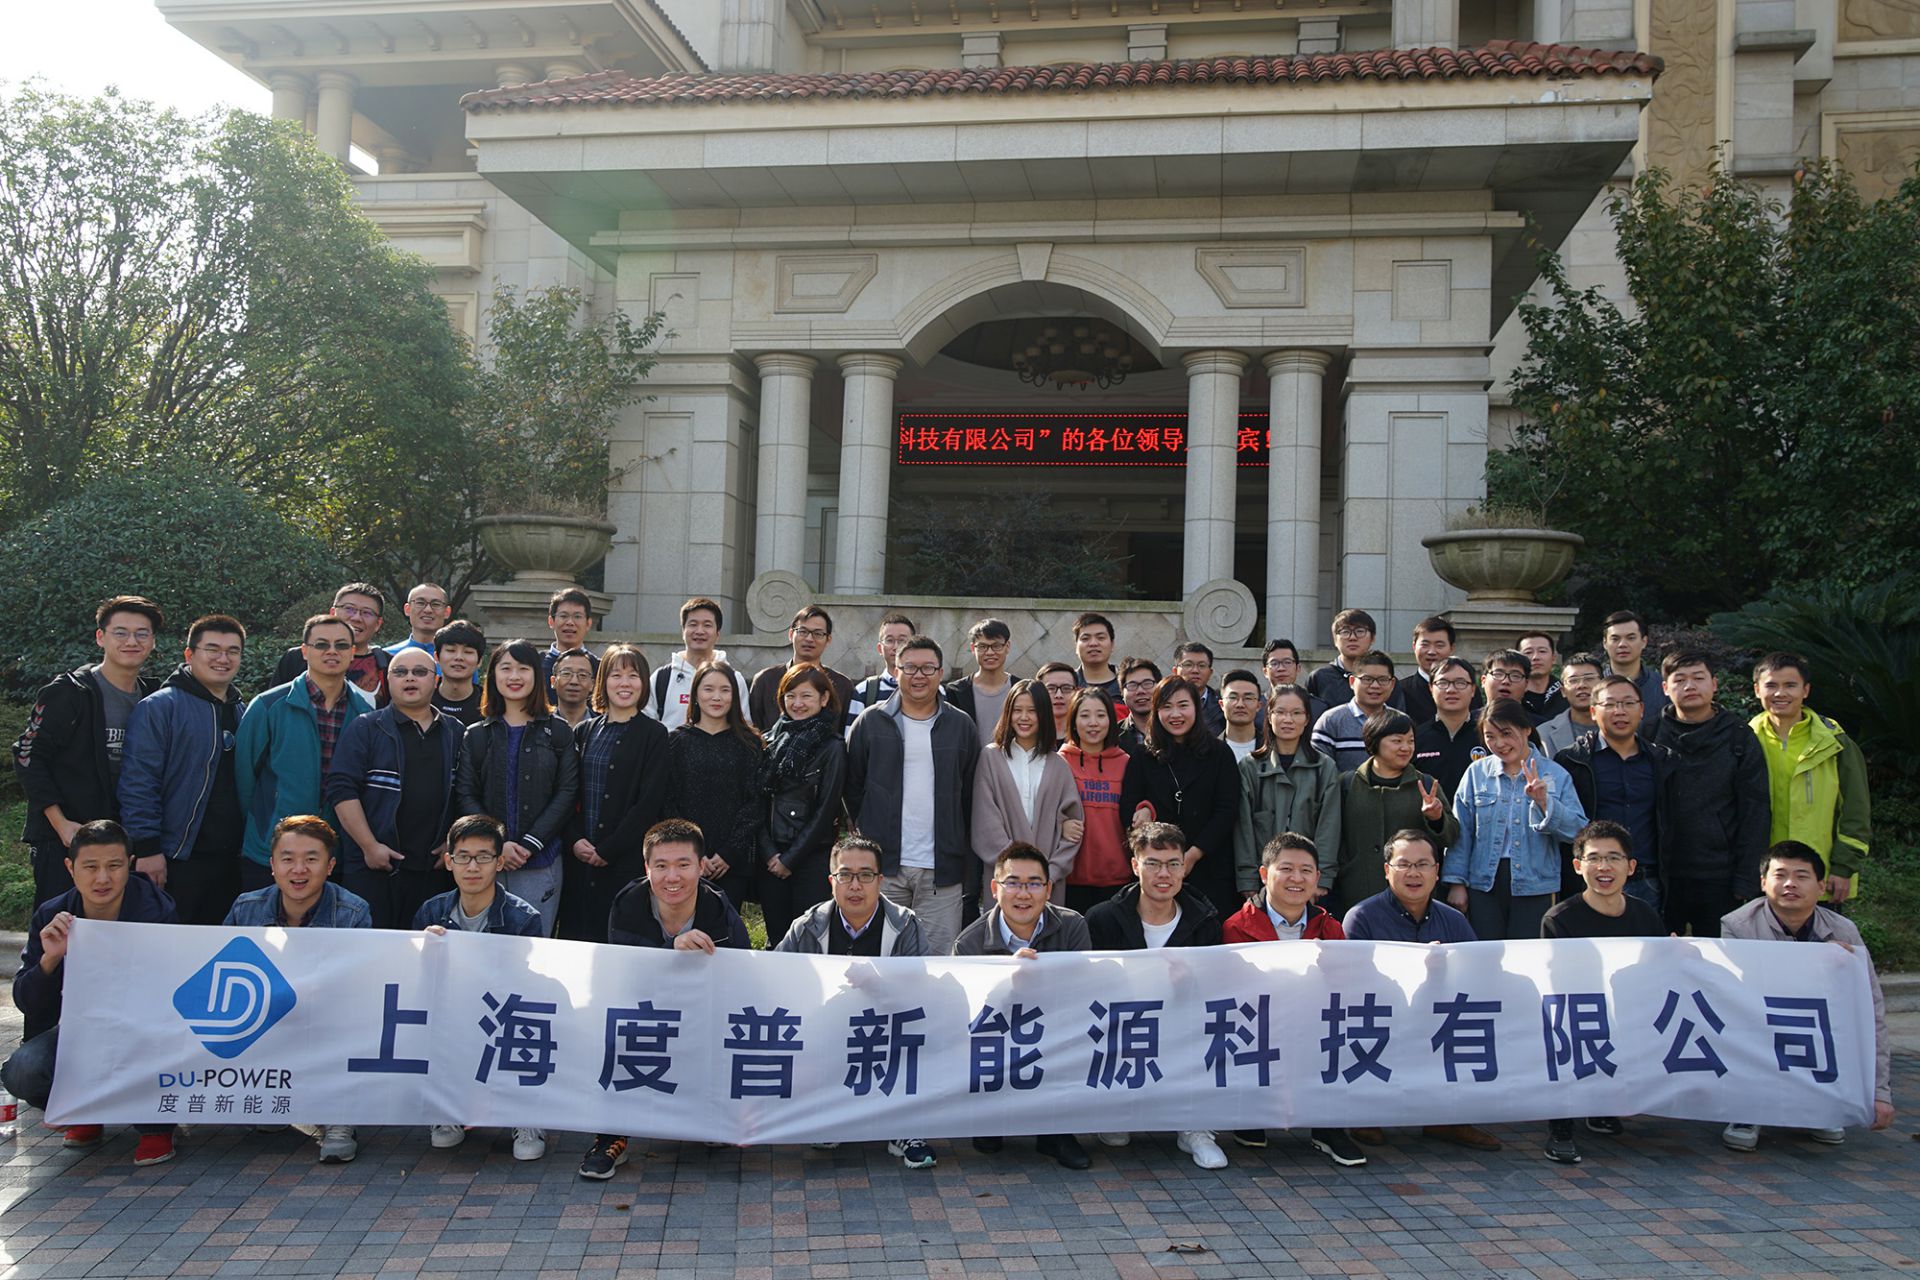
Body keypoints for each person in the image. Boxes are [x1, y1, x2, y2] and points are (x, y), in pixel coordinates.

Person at [3, 820, 179, 1166]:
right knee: (22, 1070)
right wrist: (51, 959)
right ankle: (84, 1110)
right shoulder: (52, 915)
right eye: (90, 867)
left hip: (144, 1031)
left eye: (114, 866)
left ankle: (156, 1127)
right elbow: (26, 1001)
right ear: (70, 868)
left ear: (130, 865)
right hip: (77, 1030)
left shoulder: (158, 911)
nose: (102, 878)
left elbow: (171, 991)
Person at [582, 819, 748, 1180]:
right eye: (661, 866)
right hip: (644, 1011)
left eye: (683, 865)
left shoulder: (720, 910)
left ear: (701, 867)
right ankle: (610, 1136)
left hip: (701, 1012)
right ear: (647, 868)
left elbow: (742, 980)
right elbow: (623, 974)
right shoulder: (628, 903)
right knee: (612, 1033)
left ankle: (712, 1116)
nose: (672, 877)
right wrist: (670, 950)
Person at [773, 835, 935, 1170]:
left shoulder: (905, 925)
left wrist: (880, 986)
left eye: (865, 875)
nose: (855, 885)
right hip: (827, 1032)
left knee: (920, 1036)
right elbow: (775, 982)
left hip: (887, 1031)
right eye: (845, 875)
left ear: (880, 880)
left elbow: (922, 995)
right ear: (831, 881)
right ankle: (829, 1114)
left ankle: (905, 1127)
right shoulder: (807, 927)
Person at [1720, 841, 1894, 1152]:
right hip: (1760, 1018)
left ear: (1821, 886)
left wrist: (1880, 1092)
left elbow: (1871, 1008)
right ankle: (1747, 1110)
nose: (1790, 884)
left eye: (1801, 876)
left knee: (1841, 1023)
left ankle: (1821, 1106)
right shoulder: (1737, 925)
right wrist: (1815, 960)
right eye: (1780, 875)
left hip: (1815, 1023)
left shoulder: (1844, 931)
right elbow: (1735, 993)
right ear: (1763, 883)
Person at [223, 816, 372, 1164]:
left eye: (311, 859)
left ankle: (338, 1117)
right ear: (272, 864)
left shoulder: (353, 912)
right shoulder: (245, 908)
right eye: (288, 859)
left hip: (327, 1017)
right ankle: (272, 1098)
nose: (299, 869)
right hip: (267, 1015)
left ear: (330, 866)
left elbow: (359, 986)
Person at [1084, 822, 1228, 1171]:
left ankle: (1194, 1127)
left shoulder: (1205, 920)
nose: (1164, 874)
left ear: (1184, 867)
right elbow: (1084, 990)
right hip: (1125, 1025)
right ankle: (1117, 1110)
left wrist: (1189, 985)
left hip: (1184, 1024)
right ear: (1135, 866)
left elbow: (1219, 990)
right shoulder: (1102, 919)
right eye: (1153, 864)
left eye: (1173, 864)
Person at [1343, 829, 1497, 1152]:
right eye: (1404, 864)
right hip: (1383, 1013)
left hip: (1437, 1016)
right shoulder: (1361, 918)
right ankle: (1366, 1113)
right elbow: (1350, 983)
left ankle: (1449, 1118)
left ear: (1436, 872)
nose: (1413, 873)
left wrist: (1444, 972)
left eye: (1423, 864)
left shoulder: (1454, 920)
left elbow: (1478, 976)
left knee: (1472, 1021)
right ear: (1387, 871)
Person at [12, 594, 163, 912]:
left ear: (152, 641)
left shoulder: (155, 698)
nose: (131, 641)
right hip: (67, 842)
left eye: (141, 633)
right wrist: (61, 824)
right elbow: (27, 755)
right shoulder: (69, 692)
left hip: (124, 845)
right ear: (100, 637)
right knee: (60, 931)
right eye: (120, 632)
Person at [1221, 833, 1364, 1167]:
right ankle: (1251, 1113)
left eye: (1306, 871)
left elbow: (1346, 984)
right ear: (1264, 874)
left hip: (1314, 1023)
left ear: (1317, 877)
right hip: (1261, 1024)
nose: (1296, 879)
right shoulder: (1236, 927)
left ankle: (1327, 1126)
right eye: (1286, 869)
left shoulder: (1330, 928)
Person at [953, 842, 1094, 1171]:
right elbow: (964, 1016)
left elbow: (1082, 994)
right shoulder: (969, 942)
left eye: (1034, 884)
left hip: (1056, 1032)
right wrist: (1006, 981)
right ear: (994, 888)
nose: (1023, 894)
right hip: (999, 1040)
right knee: (987, 1143)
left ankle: (1057, 1131)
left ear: (1049, 889)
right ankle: (993, 1115)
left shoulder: (1073, 926)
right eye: (1013, 883)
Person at [414, 814, 546, 1160]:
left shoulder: (523, 918)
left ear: (499, 862)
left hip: (501, 1013)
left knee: (525, 1024)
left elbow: (528, 988)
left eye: (483, 857)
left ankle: (525, 1116)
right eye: (463, 857)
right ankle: (448, 1110)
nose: (472, 867)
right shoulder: (431, 912)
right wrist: (423, 950)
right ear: (449, 861)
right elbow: (416, 981)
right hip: (452, 1012)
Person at [1538, 820, 1667, 1165]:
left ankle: (1603, 1105)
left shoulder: (1645, 914)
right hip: (1579, 1010)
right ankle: (1561, 1127)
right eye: (1594, 858)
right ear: (1577, 866)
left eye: (1613, 858)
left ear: (1631, 867)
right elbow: (1558, 984)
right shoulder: (1559, 918)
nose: (1604, 867)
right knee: (1565, 1029)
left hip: (1630, 1007)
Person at [844, 635, 979, 957]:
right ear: (896, 670)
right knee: (878, 956)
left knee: (937, 960)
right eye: (910, 668)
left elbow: (970, 792)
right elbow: (852, 786)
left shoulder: (960, 725)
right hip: (883, 866)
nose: (919, 675)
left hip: (941, 869)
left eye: (928, 668)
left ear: (940, 673)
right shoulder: (871, 721)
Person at [118, 614, 247, 926]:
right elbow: (138, 781)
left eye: (232, 651)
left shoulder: (242, 711)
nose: (223, 659)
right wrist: (147, 848)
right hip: (176, 857)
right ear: (189, 654)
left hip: (230, 860)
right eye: (212, 649)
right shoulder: (160, 707)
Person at [235, 614, 376, 892]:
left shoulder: (365, 713)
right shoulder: (269, 706)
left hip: (336, 852)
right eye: (321, 644)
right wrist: (262, 825)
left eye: (341, 645)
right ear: (304, 651)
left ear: (352, 653)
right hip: (272, 849)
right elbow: (243, 778)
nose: (332, 651)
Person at [328, 648, 462, 930]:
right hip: (373, 866)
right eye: (400, 672)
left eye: (420, 672)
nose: (409, 678)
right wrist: (369, 846)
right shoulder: (366, 727)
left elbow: (467, 793)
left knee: (429, 948)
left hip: (434, 870)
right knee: (372, 950)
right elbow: (342, 790)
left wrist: (454, 841)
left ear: (436, 680)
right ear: (388, 681)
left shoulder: (455, 732)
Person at [454, 641, 579, 933]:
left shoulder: (558, 731)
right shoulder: (476, 734)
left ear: (536, 675)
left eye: (523, 669)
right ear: (493, 676)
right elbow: (466, 793)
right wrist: (498, 843)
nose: (514, 676)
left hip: (540, 861)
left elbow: (567, 792)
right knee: (484, 944)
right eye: (506, 668)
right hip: (486, 861)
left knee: (535, 944)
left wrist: (529, 843)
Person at [1441, 700, 1587, 941]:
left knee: (1529, 954)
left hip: (1536, 883)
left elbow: (1579, 831)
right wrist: (1456, 882)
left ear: (1526, 729)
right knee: (1486, 953)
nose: (1499, 743)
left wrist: (1545, 803)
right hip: (1484, 882)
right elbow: (1462, 829)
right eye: (1490, 736)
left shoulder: (1555, 773)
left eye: (1506, 733)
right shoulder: (1477, 773)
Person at [1649, 648, 1770, 937]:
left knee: (1722, 957)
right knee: (1660, 958)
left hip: (1720, 875)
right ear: (1665, 688)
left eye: (1698, 678)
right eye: (1680, 680)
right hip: (1661, 874)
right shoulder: (1649, 733)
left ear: (1714, 684)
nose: (1689, 686)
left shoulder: (1739, 736)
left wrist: (1747, 877)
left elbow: (1755, 810)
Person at [559, 644, 670, 944]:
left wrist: (608, 850)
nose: (625, 683)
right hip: (579, 860)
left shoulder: (654, 734)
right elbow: (568, 793)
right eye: (616, 675)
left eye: (633, 676)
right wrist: (575, 840)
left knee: (618, 941)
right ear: (603, 681)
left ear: (643, 683)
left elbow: (648, 802)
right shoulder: (584, 731)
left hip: (624, 860)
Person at [1750, 652, 1870, 904]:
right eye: (1771, 685)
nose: (1780, 693)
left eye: (1790, 685)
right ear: (1757, 690)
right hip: (1763, 873)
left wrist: (1843, 867)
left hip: (1818, 873)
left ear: (1805, 690)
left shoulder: (1835, 743)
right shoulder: (1745, 741)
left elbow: (1855, 810)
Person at [1120, 676, 1242, 920]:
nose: (1175, 714)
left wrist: (1193, 854)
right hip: (1159, 868)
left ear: (1196, 707)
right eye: (1166, 707)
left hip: (1210, 865)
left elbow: (1227, 810)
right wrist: (1143, 809)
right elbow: (1127, 808)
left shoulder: (1219, 753)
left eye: (1183, 705)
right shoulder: (1143, 755)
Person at [1552, 676, 1677, 911]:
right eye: (1609, 704)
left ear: (1641, 709)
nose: (1619, 711)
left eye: (1628, 703)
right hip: (1590, 880)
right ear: (1593, 711)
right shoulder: (1572, 761)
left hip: (1648, 880)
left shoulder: (1662, 760)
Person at [1330, 711, 1458, 917]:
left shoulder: (1425, 784)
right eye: (1397, 741)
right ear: (1374, 742)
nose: (1406, 748)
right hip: (1356, 891)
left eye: (1411, 741)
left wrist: (1436, 819)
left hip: (1413, 895)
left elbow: (1451, 836)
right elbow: (1332, 834)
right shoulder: (1347, 784)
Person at [664, 660, 765, 911]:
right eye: (708, 689)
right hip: (685, 859)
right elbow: (667, 801)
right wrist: (694, 852)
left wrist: (729, 853)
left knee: (725, 928)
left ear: (734, 696)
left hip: (731, 863)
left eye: (725, 690)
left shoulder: (749, 744)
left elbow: (756, 802)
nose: (716, 697)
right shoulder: (676, 742)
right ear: (696, 694)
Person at [756, 664, 846, 946]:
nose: (797, 703)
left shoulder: (832, 747)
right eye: (790, 696)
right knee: (776, 939)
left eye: (806, 696)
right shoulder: (769, 741)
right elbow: (756, 803)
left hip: (810, 857)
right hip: (770, 857)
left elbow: (826, 810)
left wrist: (790, 859)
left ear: (824, 698)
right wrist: (770, 853)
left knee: (809, 940)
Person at [971, 680, 1082, 905]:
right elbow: (985, 822)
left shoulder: (1059, 765)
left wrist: (1048, 873)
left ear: (1044, 714)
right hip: (1005, 880)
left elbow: (1073, 826)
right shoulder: (991, 758)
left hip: (1048, 882)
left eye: (1032, 711)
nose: (1024, 717)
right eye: (1017, 710)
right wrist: (1015, 871)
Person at [1234, 685, 1340, 901]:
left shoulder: (1323, 767)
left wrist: (1322, 878)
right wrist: (1247, 879)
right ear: (1269, 716)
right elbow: (1243, 828)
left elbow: (1329, 827)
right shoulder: (1250, 766)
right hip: (1263, 880)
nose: (1288, 720)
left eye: (1296, 713)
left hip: (1306, 880)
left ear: (1307, 719)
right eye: (1280, 712)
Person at [1060, 686, 1133, 914]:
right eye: (1085, 715)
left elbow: (1139, 803)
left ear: (1111, 721)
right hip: (1070, 877)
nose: (1093, 723)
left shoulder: (1126, 762)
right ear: (1073, 721)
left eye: (1100, 715)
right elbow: (1043, 809)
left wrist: (1145, 810)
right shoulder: (1060, 762)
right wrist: (1060, 824)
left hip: (1118, 878)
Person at [747, 605, 855, 732]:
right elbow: (754, 730)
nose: (809, 639)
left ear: (828, 639)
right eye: (803, 632)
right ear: (791, 634)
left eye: (818, 634)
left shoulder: (843, 685)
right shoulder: (765, 680)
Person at [647, 596, 750, 729]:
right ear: (683, 631)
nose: (700, 631)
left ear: (718, 633)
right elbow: (648, 726)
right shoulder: (661, 678)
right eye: (693, 624)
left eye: (707, 625)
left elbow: (744, 725)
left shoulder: (734, 679)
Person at [271, 583, 389, 698]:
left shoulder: (388, 666)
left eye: (367, 613)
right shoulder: (297, 658)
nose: (356, 618)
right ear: (333, 613)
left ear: (378, 624)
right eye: (349, 609)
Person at [1310, 649, 1397, 771]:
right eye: (1367, 679)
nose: (1375, 686)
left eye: (1383, 680)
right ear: (1352, 682)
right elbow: (1319, 771)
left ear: (1392, 684)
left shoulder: (1400, 721)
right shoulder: (1331, 721)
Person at [1412, 656, 1482, 795]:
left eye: (1460, 683)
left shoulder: (1487, 736)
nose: (1451, 690)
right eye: (1443, 683)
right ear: (1431, 689)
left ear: (1473, 690)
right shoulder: (1415, 738)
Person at [942, 618, 1013, 746]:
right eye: (982, 647)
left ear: (1007, 647)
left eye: (996, 646)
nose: (990, 652)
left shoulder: (1020, 688)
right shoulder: (955, 691)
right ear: (972, 648)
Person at [843, 612, 917, 723]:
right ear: (879, 648)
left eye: (902, 640)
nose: (896, 647)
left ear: (915, 646)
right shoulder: (864, 691)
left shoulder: (932, 689)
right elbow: (852, 732)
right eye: (889, 640)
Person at [1306, 608, 1381, 709]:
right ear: (1335, 639)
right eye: (1345, 632)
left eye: (1360, 631)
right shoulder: (1319, 677)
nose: (1352, 637)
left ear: (1373, 638)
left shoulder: (1383, 678)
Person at [1536, 651, 1603, 759]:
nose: (1581, 685)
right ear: (1563, 691)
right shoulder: (1543, 734)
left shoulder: (1623, 727)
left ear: (1603, 685)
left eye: (1589, 678)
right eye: (1573, 680)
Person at [1396, 616, 1460, 726]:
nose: (1431, 652)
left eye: (1439, 645)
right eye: (1425, 645)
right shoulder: (1400, 690)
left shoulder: (1465, 688)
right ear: (1414, 646)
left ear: (1452, 648)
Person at [1602, 610, 1666, 717]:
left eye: (1630, 638)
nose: (1622, 644)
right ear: (1605, 643)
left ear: (1644, 641)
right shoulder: (1594, 686)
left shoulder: (1662, 688)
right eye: (1615, 639)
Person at [431, 619, 488, 727]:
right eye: (451, 650)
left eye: (468, 652)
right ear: (436, 657)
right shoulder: (423, 699)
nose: (459, 657)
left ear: (479, 661)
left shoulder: (489, 704)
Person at [1262, 640, 1329, 724]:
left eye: (1287, 662)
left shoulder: (1317, 707)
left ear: (1298, 668)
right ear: (1265, 671)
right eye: (1274, 663)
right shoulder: (1256, 707)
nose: (1281, 668)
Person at [543, 588, 599, 688]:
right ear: (551, 621)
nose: (570, 622)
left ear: (588, 623)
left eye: (577, 617)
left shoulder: (600, 668)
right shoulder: (536, 664)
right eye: (563, 616)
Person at [385, 583, 451, 657]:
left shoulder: (455, 658)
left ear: (447, 612)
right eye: (420, 603)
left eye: (436, 604)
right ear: (407, 609)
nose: (428, 610)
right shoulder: (387, 657)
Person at [1173, 643, 1225, 735]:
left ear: (1210, 673)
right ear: (1175, 671)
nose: (1195, 670)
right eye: (1188, 665)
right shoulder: (1162, 702)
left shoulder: (1223, 705)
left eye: (1202, 665)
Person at [1115, 658, 1161, 753]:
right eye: (1132, 685)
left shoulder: (1175, 729)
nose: (1140, 691)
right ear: (1122, 693)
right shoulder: (1113, 736)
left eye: (1147, 683)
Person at [1517, 631, 1567, 720]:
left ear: (1554, 658)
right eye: (1528, 652)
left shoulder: (1566, 692)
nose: (1535, 657)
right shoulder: (1513, 694)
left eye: (1542, 651)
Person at [1479, 649, 1537, 724]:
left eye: (1515, 676)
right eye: (1498, 674)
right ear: (1483, 681)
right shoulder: (1467, 722)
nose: (1506, 681)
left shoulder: (1541, 726)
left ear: (1526, 684)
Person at [1219, 669, 1264, 762]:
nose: (1240, 704)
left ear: (1258, 706)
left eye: (1248, 698)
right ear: (1222, 704)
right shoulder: (1208, 749)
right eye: (1233, 697)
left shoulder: (1271, 749)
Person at [1071, 612, 1120, 699]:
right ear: (1076, 646)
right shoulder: (1067, 685)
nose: (1093, 643)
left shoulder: (1127, 685)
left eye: (1101, 638)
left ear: (1112, 644)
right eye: (1085, 638)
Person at [550, 648, 596, 728]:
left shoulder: (601, 729)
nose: (574, 681)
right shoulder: (538, 728)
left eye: (582, 675)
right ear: (553, 681)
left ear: (592, 684)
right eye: (566, 674)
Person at [1034, 661, 1078, 741]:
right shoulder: (1029, 735)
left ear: (1077, 692)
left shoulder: (1085, 735)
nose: (1059, 695)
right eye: (1051, 688)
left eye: (1066, 688)